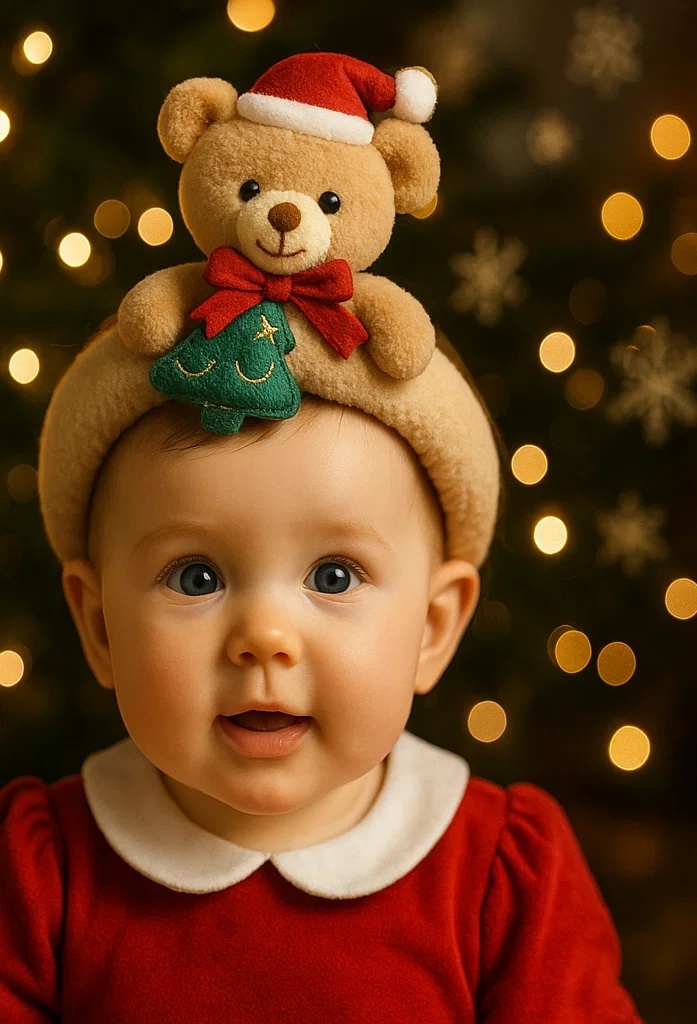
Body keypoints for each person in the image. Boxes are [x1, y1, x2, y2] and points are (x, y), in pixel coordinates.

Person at [0, 306, 643, 1021]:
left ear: (432, 627)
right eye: (195, 577)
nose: (265, 637)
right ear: (100, 628)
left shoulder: (503, 877)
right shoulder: (40, 874)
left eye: (333, 576)